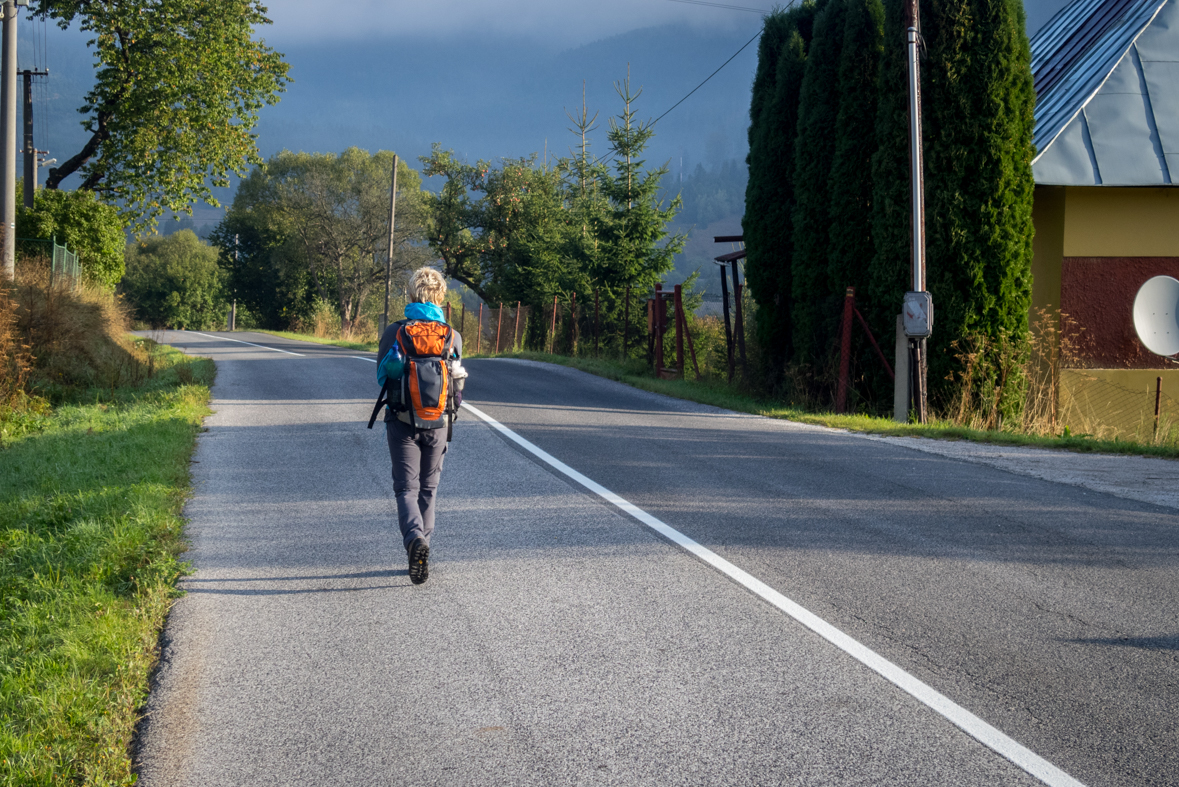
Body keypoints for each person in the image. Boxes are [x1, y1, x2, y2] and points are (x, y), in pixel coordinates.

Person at [376, 268, 464, 585]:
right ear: (441, 296)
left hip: (401, 421)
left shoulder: (395, 332)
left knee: (406, 488)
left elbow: (382, 378)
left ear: (411, 294)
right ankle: (423, 542)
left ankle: (415, 541)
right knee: (428, 489)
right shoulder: (452, 335)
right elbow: (456, 384)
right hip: (438, 423)